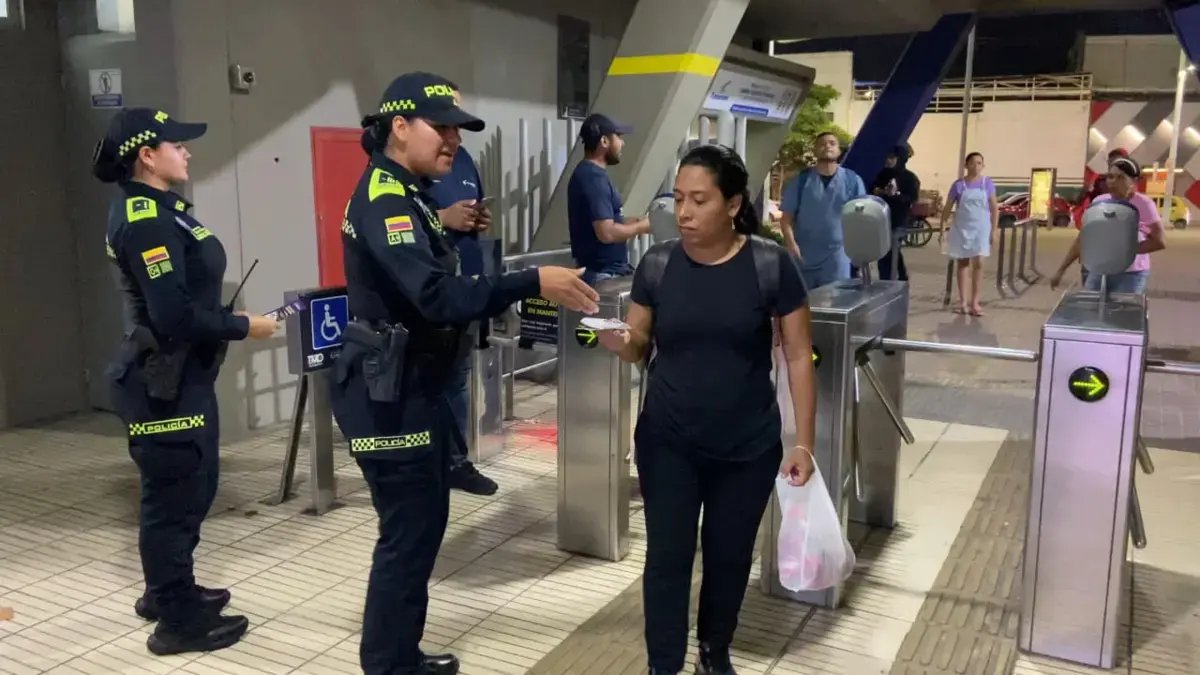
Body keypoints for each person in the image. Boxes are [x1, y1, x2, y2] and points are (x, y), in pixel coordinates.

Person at [335, 71, 599, 675]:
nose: (453, 140)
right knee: (408, 535)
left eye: (458, 128)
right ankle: (388, 664)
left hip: (410, 387)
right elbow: (435, 296)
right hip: (388, 394)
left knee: (421, 530)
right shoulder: (384, 199)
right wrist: (533, 280)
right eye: (441, 126)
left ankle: (398, 654)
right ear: (399, 127)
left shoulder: (407, 193)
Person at [596, 145, 818, 675]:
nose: (686, 212)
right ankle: (663, 664)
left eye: (700, 199)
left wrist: (803, 441)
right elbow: (640, 344)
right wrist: (619, 341)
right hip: (668, 440)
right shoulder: (658, 262)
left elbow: (797, 355)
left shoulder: (771, 265)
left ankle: (714, 652)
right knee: (668, 559)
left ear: (734, 203)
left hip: (747, 446)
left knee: (728, 557)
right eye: (679, 199)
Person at [92, 108, 279, 655]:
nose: (188, 152)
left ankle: (170, 589)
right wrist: (246, 325)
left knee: (185, 489)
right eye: (178, 144)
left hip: (178, 375)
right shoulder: (146, 218)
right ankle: (175, 622)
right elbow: (172, 316)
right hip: (161, 381)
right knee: (174, 497)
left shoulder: (158, 209)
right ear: (147, 155)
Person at [424, 83, 499, 496]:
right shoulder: (406, 171)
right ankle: (430, 462)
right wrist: (443, 218)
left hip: (465, 286)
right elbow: (398, 222)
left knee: (458, 379)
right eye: (445, 116)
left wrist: (476, 219)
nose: (454, 130)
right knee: (426, 381)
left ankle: (454, 461)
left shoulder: (464, 158)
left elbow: (470, 205)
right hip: (430, 292)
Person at [1050, 156, 1166, 294]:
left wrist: (1123, 251)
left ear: (1133, 181)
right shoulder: (1100, 202)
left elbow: (1159, 242)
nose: (1113, 182)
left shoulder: (1144, 204)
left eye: (1121, 177)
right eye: (1110, 177)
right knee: (1089, 309)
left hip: (1131, 274)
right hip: (1100, 269)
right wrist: (1061, 270)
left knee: (1122, 313)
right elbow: (1083, 238)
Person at [567, 112, 652, 285]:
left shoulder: (593, 175)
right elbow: (606, 233)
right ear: (604, 141)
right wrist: (642, 227)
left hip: (609, 272)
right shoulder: (592, 178)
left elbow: (609, 222)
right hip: (603, 275)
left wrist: (635, 221)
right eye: (619, 137)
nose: (623, 143)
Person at [779, 131, 866, 289]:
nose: (827, 146)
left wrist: (859, 254)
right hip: (804, 255)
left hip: (837, 256)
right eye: (822, 144)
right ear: (814, 151)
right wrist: (791, 245)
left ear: (839, 151)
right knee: (803, 305)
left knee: (834, 304)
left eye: (832, 143)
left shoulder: (852, 180)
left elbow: (861, 219)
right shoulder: (801, 180)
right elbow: (786, 219)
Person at [940, 152, 998, 316]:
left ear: (983, 166)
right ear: (966, 165)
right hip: (961, 228)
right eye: (972, 163)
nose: (976, 166)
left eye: (979, 163)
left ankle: (975, 302)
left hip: (981, 229)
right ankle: (963, 302)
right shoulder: (958, 185)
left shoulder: (987, 184)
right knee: (963, 264)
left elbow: (994, 208)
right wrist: (942, 226)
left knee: (979, 263)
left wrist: (994, 230)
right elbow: (948, 207)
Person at [871, 168, 910, 281]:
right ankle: (887, 278)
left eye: (892, 157)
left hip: (898, 220)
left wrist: (895, 195)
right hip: (881, 219)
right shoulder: (880, 175)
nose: (889, 160)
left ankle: (898, 277)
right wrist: (879, 192)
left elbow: (910, 199)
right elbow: (872, 190)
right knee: (885, 251)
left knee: (892, 248)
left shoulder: (907, 177)